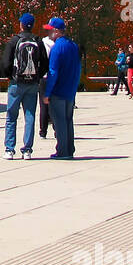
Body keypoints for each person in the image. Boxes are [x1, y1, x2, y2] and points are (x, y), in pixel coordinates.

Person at [0, 13, 48, 160]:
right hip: (32, 83)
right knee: (30, 116)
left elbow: (5, 63)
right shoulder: (38, 41)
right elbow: (45, 63)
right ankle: (27, 149)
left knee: (11, 117)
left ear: (21, 24)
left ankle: (9, 149)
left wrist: (11, 76)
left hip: (16, 82)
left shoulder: (14, 41)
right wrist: (37, 76)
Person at [42, 16, 81, 160]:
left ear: (57, 31)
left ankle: (62, 150)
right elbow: (78, 68)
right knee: (68, 120)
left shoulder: (57, 48)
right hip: (70, 90)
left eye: (50, 30)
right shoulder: (73, 45)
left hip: (58, 91)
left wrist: (47, 93)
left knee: (59, 122)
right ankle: (69, 149)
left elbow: (53, 72)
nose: (48, 34)